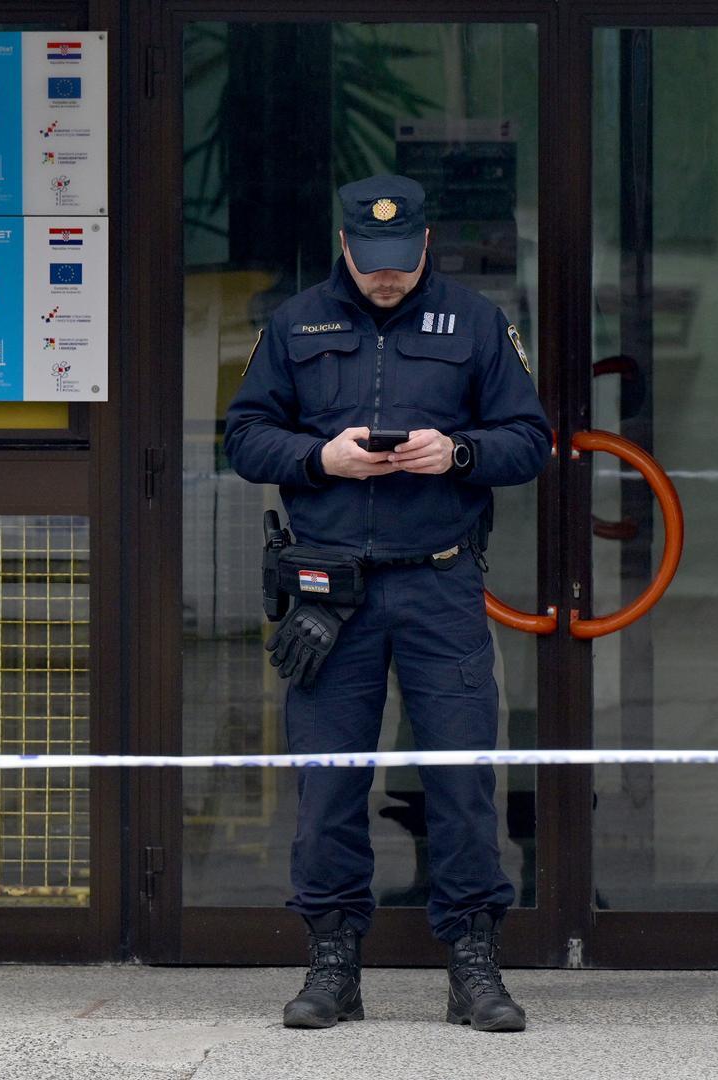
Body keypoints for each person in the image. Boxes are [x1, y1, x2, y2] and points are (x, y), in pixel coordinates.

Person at [222, 174, 551, 1033]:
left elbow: (530, 440)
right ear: (344, 246)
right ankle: (333, 963)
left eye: (401, 262)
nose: (386, 277)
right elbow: (245, 435)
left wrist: (461, 454)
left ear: (426, 245)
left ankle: (473, 964)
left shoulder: (476, 323)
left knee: (461, 778)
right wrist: (319, 459)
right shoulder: (296, 324)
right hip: (332, 592)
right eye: (371, 262)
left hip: (440, 581)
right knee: (330, 783)